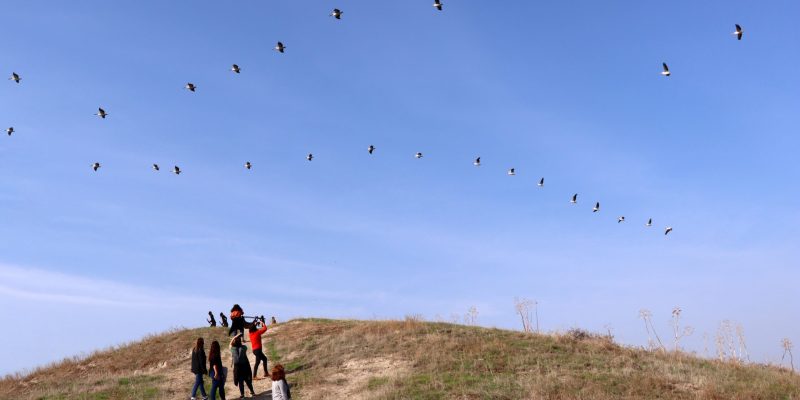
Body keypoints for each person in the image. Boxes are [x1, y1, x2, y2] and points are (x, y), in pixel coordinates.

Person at [230, 333, 255, 398]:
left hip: (238, 368)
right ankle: (252, 391)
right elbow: (244, 346)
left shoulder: (232, 349)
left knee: (240, 382)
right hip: (245, 366)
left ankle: (242, 395)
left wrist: (235, 337)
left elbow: (230, 344)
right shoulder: (244, 348)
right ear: (240, 342)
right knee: (247, 380)